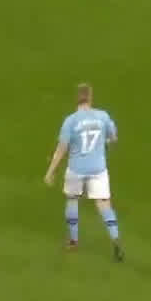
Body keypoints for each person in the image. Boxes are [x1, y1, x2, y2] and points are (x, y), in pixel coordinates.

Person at [42, 83, 123, 260]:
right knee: (104, 204)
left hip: (76, 169)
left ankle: (73, 241)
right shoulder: (103, 116)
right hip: (98, 169)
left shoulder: (70, 121)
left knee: (72, 199)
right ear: (90, 98)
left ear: (77, 99)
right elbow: (113, 137)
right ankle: (116, 239)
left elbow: (61, 149)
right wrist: (106, 143)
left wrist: (50, 171)